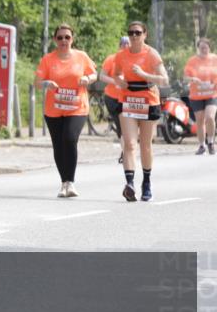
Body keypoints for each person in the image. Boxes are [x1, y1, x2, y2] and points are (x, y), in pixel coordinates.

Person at [34, 24, 97, 198]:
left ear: (72, 39)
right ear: (55, 40)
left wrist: (87, 78)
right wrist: (47, 83)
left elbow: (94, 74)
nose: (64, 41)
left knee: (69, 139)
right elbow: (37, 82)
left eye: (67, 37)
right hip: (53, 109)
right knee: (58, 145)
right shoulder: (48, 59)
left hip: (77, 107)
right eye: (60, 37)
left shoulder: (81, 56)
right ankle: (64, 184)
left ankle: (71, 182)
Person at [113, 20, 168, 201]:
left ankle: (146, 181)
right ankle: (129, 183)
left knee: (145, 145)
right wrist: (119, 80)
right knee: (129, 144)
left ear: (145, 34)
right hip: (128, 99)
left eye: (137, 32)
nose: (134, 36)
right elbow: (116, 74)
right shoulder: (121, 55)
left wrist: (144, 75)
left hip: (148, 100)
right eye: (131, 33)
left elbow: (164, 79)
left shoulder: (152, 54)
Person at [98, 35, 130, 163]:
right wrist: (115, 81)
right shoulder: (111, 59)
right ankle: (125, 153)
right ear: (119, 46)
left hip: (128, 99)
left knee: (127, 127)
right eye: (123, 45)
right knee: (122, 125)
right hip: (112, 97)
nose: (125, 47)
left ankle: (126, 152)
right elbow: (102, 76)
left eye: (127, 45)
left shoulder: (132, 61)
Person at [184, 37, 217, 155]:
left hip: (212, 94)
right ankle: (202, 145)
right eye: (202, 47)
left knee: (210, 117)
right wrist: (192, 78)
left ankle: (211, 142)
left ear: (209, 47)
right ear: (198, 48)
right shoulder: (192, 61)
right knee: (200, 120)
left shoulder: (214, 59)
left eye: (206, 47)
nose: (204, 49)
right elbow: (185, 77)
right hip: (196, 95)